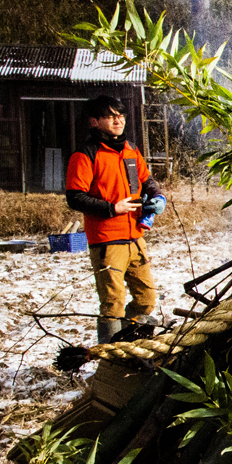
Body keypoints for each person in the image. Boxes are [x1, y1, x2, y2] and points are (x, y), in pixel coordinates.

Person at [65, 95, 168, 343]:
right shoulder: (85, 154)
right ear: (94, 121)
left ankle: (129, 342)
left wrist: (158, 196)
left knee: (147, 299)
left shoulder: (130, 150)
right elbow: (75, 197)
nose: (118, 121)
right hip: (106, 240)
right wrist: (113, 208)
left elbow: (146, 180)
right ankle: (110, 357)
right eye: (110, 117)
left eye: (120, 116)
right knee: (113, 303)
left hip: (135, 237)